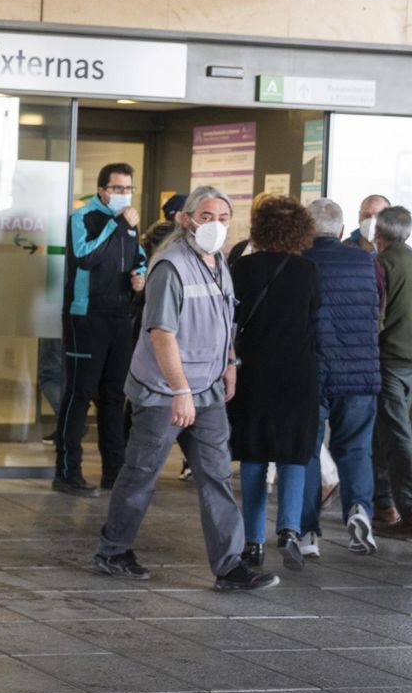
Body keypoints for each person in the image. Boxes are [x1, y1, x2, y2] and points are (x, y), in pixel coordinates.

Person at [93, 186, 278, 592]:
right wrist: (178, 391)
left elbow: (224, 318)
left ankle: (229, 566)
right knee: (142, 472)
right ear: (186, 219)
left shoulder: (218, 264)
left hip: (207, 389)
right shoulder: (170, 267)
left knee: (215, 475)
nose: (216, 225)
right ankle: (113, 550)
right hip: (164, 390)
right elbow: (161, 333)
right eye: (207, 217)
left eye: (223, 219)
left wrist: (230, 363)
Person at [226, 197, 320, 570]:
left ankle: (253, 542)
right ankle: (290, 530)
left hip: (253, 371)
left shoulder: (242, 268)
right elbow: (314, 316)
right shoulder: (308, 271)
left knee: (254, 454)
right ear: (300, 230)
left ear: (259, 227)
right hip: (297, 372)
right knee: (294, 453)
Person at [54, 163, 146, 495]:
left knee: (114, 396)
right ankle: (67, 472)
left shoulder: (131, 223)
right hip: (86, 316)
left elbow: (139, 257)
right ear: (102, 190)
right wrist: (117, 226)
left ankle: (114, 472)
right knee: (79, 394)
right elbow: (84, 256)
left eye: (129, 189)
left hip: (120, 316)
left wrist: (141, 276)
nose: (124, 195)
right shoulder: (83, 218)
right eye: (118, 189)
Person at [303, 198, 381, 555]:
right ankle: (359, 510)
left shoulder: (300, 263)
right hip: (360, 370)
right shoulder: (368, 261)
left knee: (306, 449)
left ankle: (307, 533)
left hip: (314, 371)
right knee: (356, 447)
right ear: (340, 229)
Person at [372, 205, 412, 533]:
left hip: (390, 362)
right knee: (389, 433)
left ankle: (408, 512)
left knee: (397, 437)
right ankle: (384, 503)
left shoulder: (381, 264)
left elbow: (377, 318)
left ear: (379, 235)